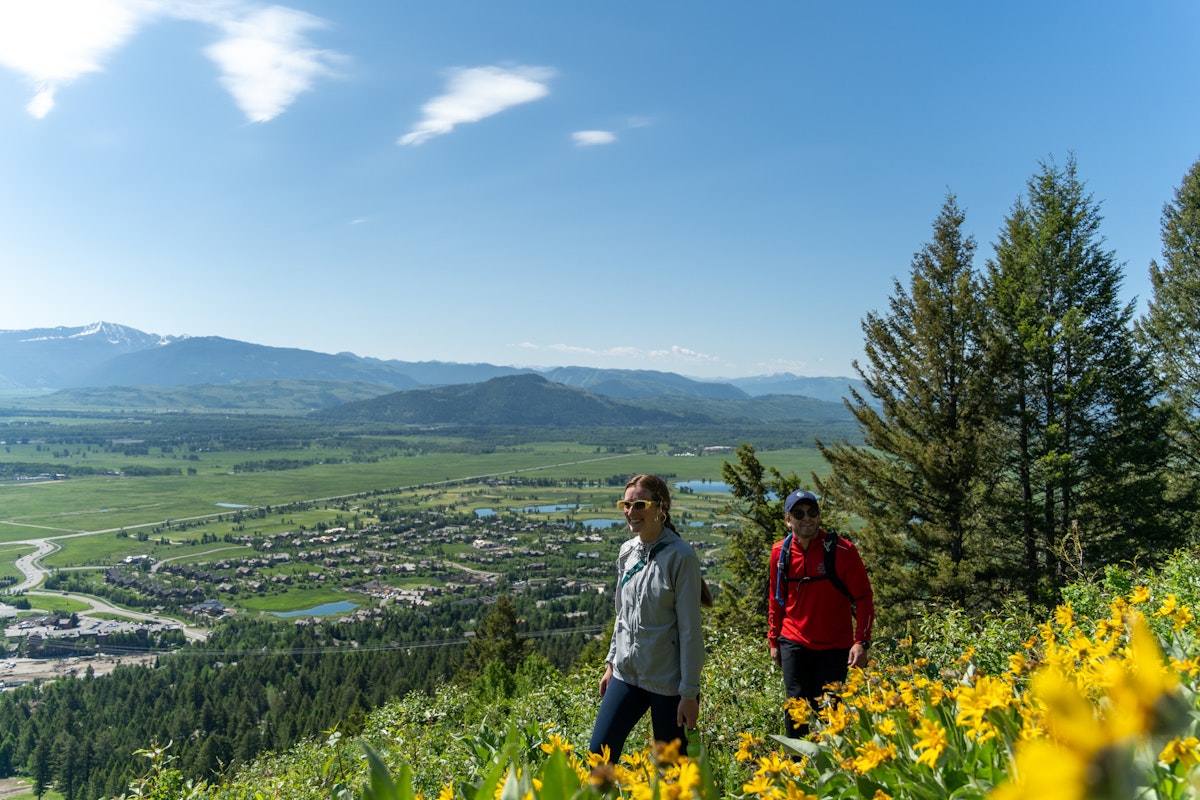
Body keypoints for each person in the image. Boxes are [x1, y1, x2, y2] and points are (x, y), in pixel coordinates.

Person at [589, 474, 707, 763]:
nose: (631, 512)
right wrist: (610, 663)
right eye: (625, 505)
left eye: (639, 504)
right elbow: (622, 616)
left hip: (668, 684)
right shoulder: (627, 552)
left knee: (672, 774)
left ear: (661, 507)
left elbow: (691, 631)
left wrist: (689, 694)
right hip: (625, 674)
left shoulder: (681, 557)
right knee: (598, 756)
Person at [767, 489, 874, 738]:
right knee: (795, 708)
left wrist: (861, 642)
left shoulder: (843, 551)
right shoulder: (779, 553)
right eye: (799, 513)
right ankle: (796, 769)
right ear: (788, 519)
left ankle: (831, 767)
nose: (807, 518)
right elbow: (776, 599)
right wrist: (774, 641)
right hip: (793, 640)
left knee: (829, 710)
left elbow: (864, 598)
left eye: (812, 512)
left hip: (835, 646)